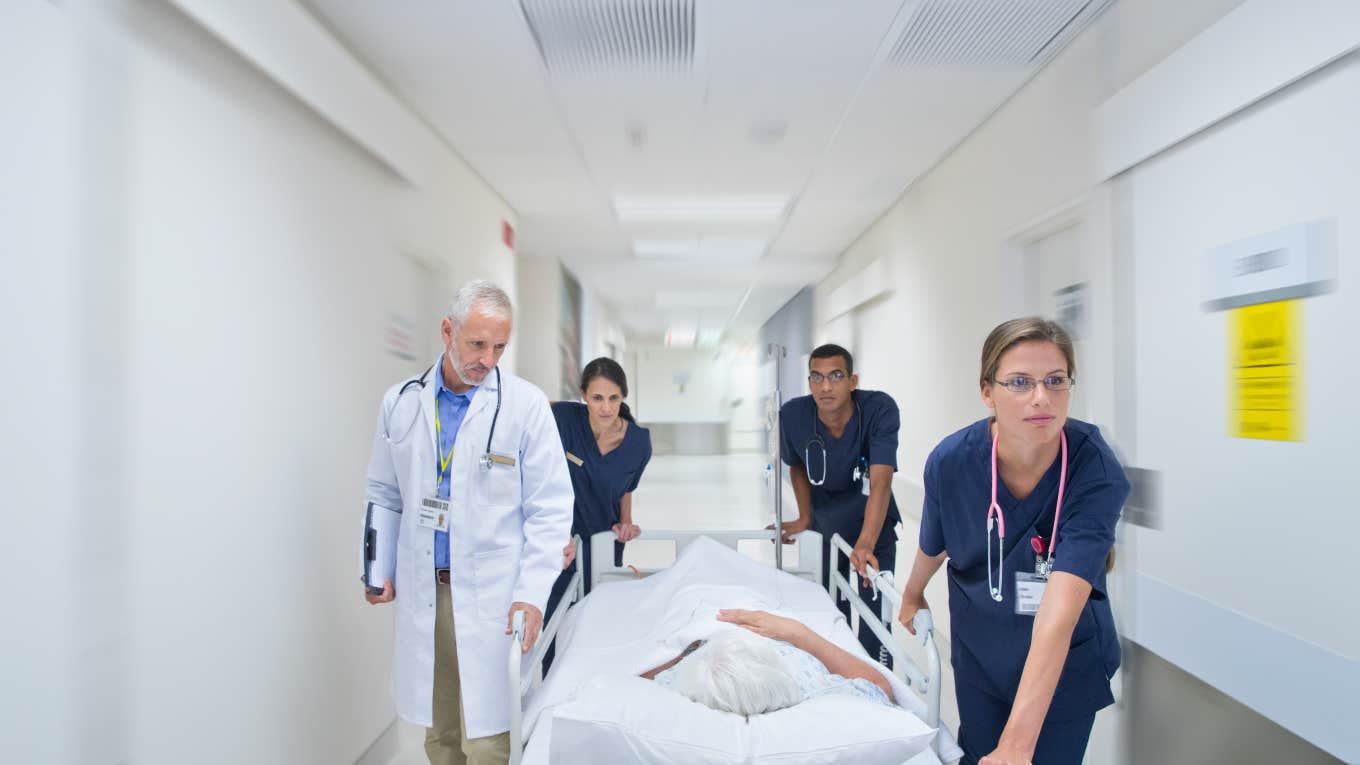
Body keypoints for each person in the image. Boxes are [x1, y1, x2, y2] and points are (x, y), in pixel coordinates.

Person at [896, 317, 1127, 765]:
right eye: (1020, 382)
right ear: (988, 392)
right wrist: (912, 592)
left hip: (1066, 663)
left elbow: (1059, 614)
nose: (1041, 397)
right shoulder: (952, 462)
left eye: (1055, 381)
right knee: (980, 752)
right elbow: (935, 539)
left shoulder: (1093, 467)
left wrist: (1017, 747)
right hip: (982, 651)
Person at [363, 280, 573, 765]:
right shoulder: (400, 402)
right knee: (439, 733)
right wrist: (376, 568)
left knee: (487, 739)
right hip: (426, 591)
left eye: (500, 346)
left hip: (495, 594)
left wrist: (532, 591)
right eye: (477, 344)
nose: (488, 358)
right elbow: (383, 491)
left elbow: (551, 507)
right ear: (446, 331)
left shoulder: (525, 405)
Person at [777, 344, 903, 665]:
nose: (826, 387)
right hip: (826, 524)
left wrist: (866, 542)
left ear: (852, 381)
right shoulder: (793, 415)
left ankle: (876, 685)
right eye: (817, 378)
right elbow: (796, 465)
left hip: (873, 525)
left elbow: (881, 481)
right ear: (809, 383)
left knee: (874, 617)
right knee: (832, 612)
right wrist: (805, 517)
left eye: (836, 376)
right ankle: (839, 684)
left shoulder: (879, 410)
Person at [544, 358, 652, 641]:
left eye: (614, 398)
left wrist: (626, 521)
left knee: (597, 623)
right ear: (583, 396)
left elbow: (627, 486)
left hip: (604, 539)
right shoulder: (563, 420)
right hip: (560, 541)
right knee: (555, 624)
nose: (606, 407)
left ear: (623, 397)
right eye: (597, 398)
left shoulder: (639, 443)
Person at [640, 610, 895, 715]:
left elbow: (633, 686)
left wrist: (687, 650)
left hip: (706, 640)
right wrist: (797, 632)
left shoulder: (679, 684)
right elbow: (879, 685)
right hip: (773, 636)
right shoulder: (811, 685)